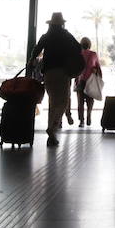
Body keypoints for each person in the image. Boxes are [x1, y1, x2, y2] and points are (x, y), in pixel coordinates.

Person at [31, 11, 82, 147]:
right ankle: (52, 127)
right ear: (62, 24)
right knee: (63, 102)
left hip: (48, 73)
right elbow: (78, 48)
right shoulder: (66, 35)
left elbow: (35, 50)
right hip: (62, 72)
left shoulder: (46, 36)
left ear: (51, 24)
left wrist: (32, 61)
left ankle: (52, 134)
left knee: (53, 101)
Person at [74, 36, 102, 126]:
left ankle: (81, 121)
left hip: (80, 80)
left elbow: (75, 69)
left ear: (81, 45)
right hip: (90, 81)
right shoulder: (93, 54)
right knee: (90, 101)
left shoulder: (78, 54)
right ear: (89, 44)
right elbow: (98, 68)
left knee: (80, 103)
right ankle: (89, 115)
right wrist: (100, 79)